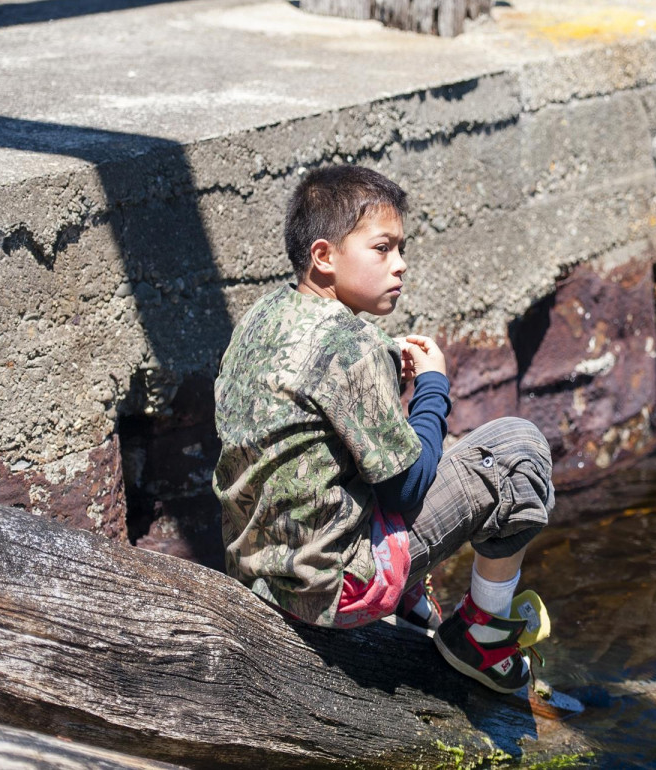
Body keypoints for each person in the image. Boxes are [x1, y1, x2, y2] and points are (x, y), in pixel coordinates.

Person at [212, 164, 555, 693]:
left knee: (436, 452)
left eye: (402, 249)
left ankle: (414, 602)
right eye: (382, 249)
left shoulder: (262, 318)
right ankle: (483, 634)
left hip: (259, 569)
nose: (400, 265)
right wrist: (433, 388)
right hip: (332, 587)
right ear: (324, 256)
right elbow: (407, 486)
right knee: (515, 451)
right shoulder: (356, 346)